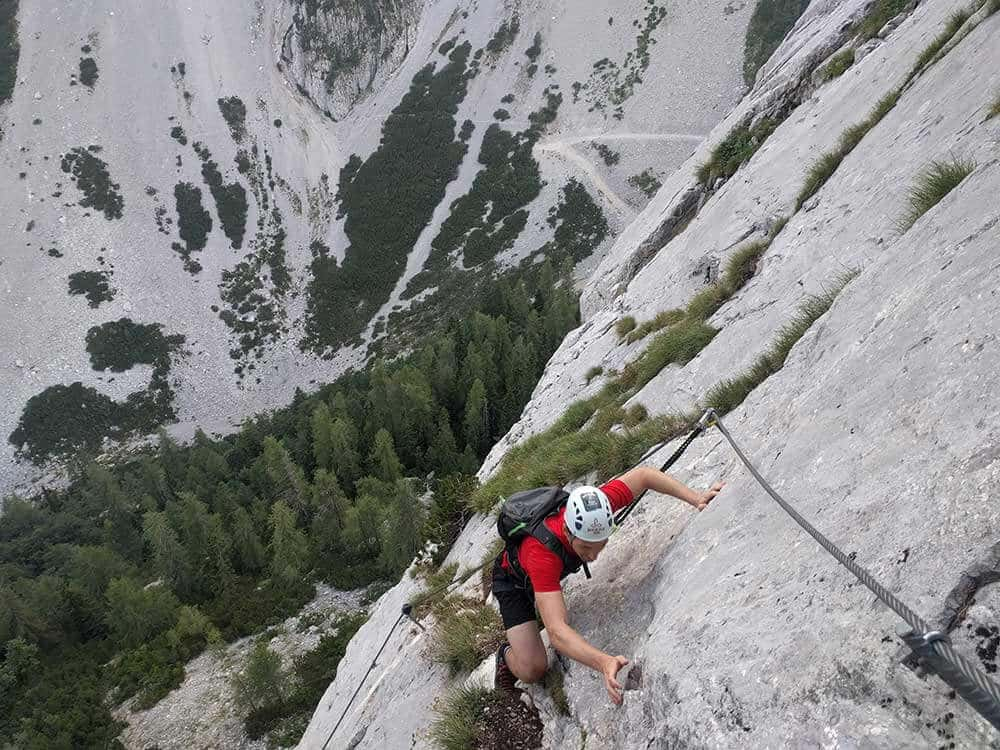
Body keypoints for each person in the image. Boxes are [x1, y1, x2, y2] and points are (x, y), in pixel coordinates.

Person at [491, 466, 724, 705]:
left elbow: (644, 476)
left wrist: (696, 498)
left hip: (544, 576)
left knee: (548, 607)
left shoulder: (595, 512)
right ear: (567, 531)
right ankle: (504, 657)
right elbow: (557, 633)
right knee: (533, 668)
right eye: (585, 548)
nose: (593, 556)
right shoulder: (541, 554)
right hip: (513, 583)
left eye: (600, 545)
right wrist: (603, 662)